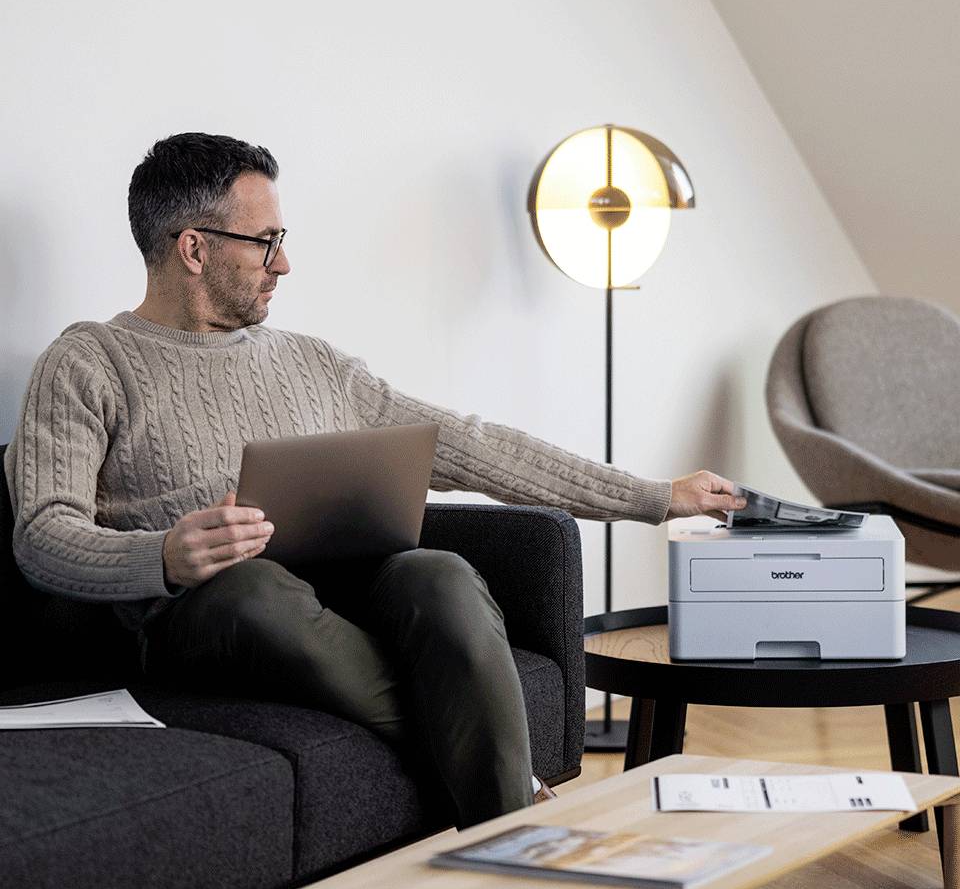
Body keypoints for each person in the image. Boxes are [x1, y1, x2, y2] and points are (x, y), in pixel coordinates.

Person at [3, 132, 747, 829]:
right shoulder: (88, 362)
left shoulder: (310, 361)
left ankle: (513, 836)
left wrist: (652, 496)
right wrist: (161, 557)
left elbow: (472, 445)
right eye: (266, 242)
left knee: (440, 573)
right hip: (197, 617)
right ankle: (513, 793)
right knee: (253, 589)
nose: (282, 264)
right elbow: (41, 536)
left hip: (342, 590)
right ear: (193, 248)